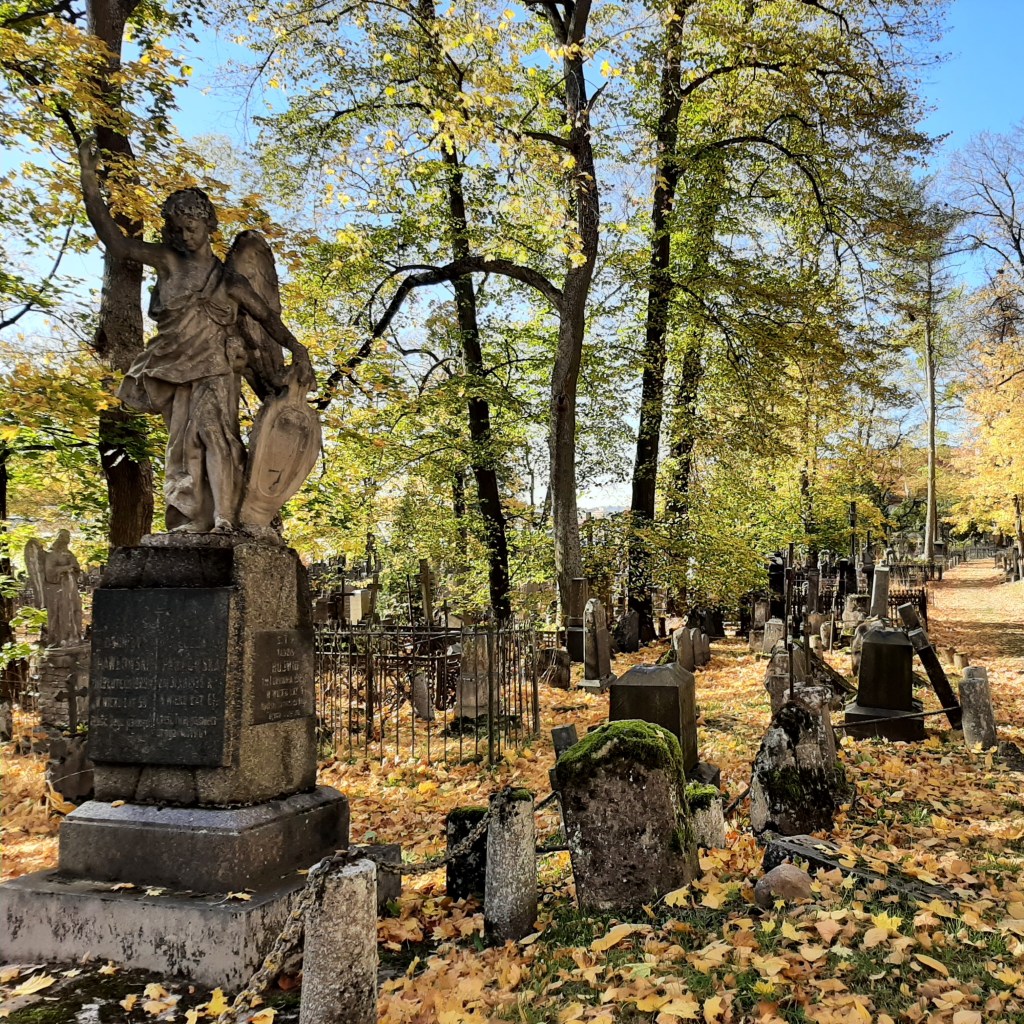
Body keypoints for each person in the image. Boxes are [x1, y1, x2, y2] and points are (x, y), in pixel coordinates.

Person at [77, 141, 314, 533]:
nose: (186, 236)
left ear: (209, 227)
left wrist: (297, 349)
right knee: (183, 445)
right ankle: (196, 516)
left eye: (192, 228)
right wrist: (89, 180)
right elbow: (116, 243)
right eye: (178, 229)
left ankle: (224, 518)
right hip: (173, 364)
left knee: (212, 433)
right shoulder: (168, 261)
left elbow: (268, 319)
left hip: (215, 364)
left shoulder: (230, 280)